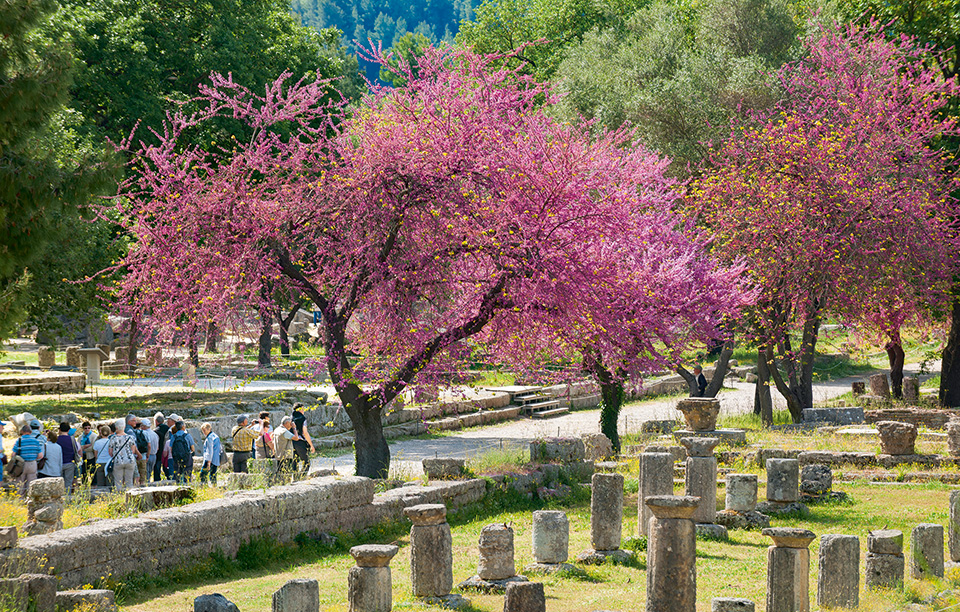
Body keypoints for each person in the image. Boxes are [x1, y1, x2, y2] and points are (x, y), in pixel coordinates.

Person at [108, 418, 141, 491]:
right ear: (124, 427)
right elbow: (133, 451)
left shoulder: (113, 438)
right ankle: (130, 496)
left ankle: (119, 495)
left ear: (116, 428)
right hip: (129, 460)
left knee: (118, 481)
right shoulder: (130, 437)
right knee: (129, 481)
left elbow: (110, 452)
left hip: (118, 461)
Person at [12, 424, 44, 496]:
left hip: (21, 464)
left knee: (20, 483)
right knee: (31, 483)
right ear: (30, 432)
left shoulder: (19, 440)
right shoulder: (35, 441)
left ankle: (20, 499)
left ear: (22, 431)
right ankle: (30, 499)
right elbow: (40, 455)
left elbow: (13, 454)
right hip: (32, 464)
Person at [55, 423, 79, 493]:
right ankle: (67, 498)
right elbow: (76, 449)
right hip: (70, 462)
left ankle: (60, 497)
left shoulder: (57, 439)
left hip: (59, 463)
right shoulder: (71, 439)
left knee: (59, 483)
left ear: (59, 430)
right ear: (68, 430)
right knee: (68, 482)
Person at [291, 405, 315, 472]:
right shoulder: (302, 418)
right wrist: (311, 445)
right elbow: (305, 432)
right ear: (300, 409)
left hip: (291, 441)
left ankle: (295, 478)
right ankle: (302, 477)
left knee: (294, 462)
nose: (303, 410)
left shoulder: (290, 418)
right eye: (302, 408)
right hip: (300, 442)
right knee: (306, 462)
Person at [153, 412, 169, 481]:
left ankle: (157, 481)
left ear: (156, 421)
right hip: (168, 452)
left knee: (157, 469)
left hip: (158, 452)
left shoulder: (155, 431)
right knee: (167, 469)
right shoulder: (168, 429)